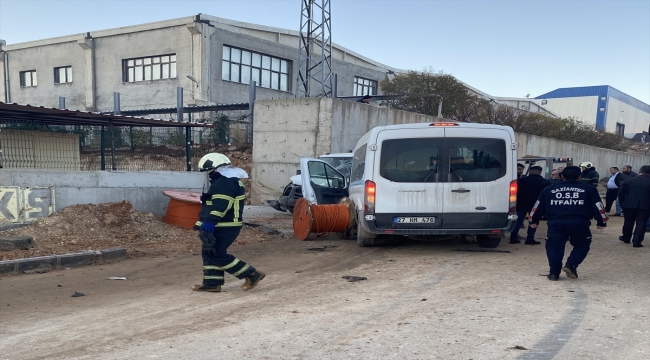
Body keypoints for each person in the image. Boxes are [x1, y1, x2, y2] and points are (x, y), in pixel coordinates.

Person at [193, 153, 265, 292]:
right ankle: (211, 284)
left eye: (208, 171)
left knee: (216, 253)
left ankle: (251, 274)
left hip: (225, 225)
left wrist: (210, 222)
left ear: (214, 169)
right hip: (223, 224)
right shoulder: (228, 180)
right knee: (209, 251)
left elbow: (221, 204)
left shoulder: (224, 182)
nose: (208, 175)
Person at [530, 166, 608, 281]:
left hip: (555, 223)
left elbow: (537, 206)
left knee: (554, 247)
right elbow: (598, 206)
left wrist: (534, 220)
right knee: (582, 245)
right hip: (580, 223)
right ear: (579, 176)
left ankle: (553, 273)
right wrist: (601, 221)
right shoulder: (589, 189)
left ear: (561, 176)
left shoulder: (549, 189)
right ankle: (571, 264)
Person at [510, 166, 551, 245]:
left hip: (521, 204)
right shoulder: (545, 182)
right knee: (534, 221)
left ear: (530, 172)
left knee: (518, 221)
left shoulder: (521, 181)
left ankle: (513, 238)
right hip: (536, 205)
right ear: (540, 172)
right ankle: (530, 238)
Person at [617, 165, 650, 248]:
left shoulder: (628, 180)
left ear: (640, 171)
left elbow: (621, 194)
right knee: (641, 223)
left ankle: (626, 238)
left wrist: (622, 204)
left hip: (629, 205)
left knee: (628, 222)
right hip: (645, 206)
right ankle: (637, 241)